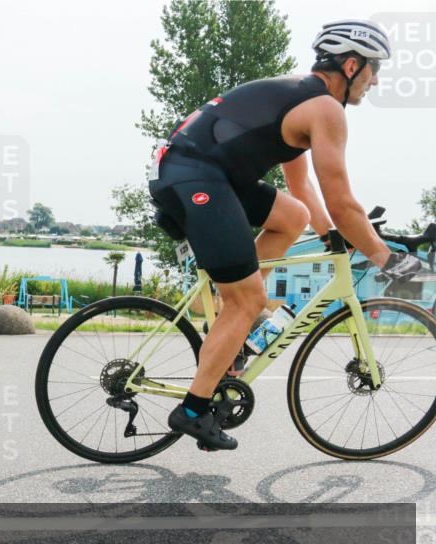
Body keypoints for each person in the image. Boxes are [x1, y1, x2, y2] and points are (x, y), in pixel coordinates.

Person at [148, 19, 423, 451]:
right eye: (374, 70)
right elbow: (343, 203)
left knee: (290, 217)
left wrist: (333, 236)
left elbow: (304, 193)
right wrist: (390, 259)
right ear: (352, 65)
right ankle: (194, 410)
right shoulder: (326, 110)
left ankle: (229, 330)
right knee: (250, 299)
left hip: (194, 172)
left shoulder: (297, 97)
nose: (375, 81)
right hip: (197, 178)